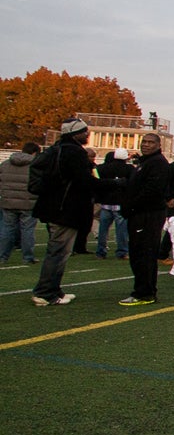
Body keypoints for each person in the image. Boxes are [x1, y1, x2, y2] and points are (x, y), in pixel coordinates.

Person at [31, 118, 122, 306]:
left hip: (54, 207)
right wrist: (115, 183)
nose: (87, 134)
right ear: (75, 133)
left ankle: (52, 290)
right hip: (65, 208)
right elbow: (84, 182)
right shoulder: (73, 152)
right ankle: (45, 292)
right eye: (84, 131)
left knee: (58, 250)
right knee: (58, 252)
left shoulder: (55, 149)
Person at [118, 133, 170, 306]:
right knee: (138, 253)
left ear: (158, 144)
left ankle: (144, 293)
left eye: (150, 142)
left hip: (148, 215)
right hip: (141, 214)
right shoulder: (146, 162)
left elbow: (151, 191)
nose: (146, 145)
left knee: (144, 253)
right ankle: (144, 290)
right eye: (144, 142)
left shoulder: (157, 163)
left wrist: (131, 206)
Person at [0, 142, 41, 265]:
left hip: (8, 201)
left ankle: (2, 256)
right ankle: (28, 257)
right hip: (29, 202)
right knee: (27, 230)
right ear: (34, 153)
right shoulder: (36, 165)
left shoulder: (5, 164)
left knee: (7, 229)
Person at [94, 149, 134, 260]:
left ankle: (101, 251)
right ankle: (122, 252)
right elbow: (132, 185)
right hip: (121, 203)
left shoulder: (102, 168)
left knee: (103, 229)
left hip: (105, 202)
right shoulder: (129, 169)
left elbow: (97, 183)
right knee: (121, 231)